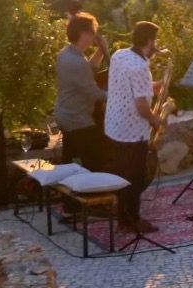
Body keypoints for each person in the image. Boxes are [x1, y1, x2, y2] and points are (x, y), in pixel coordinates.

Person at [105, 21, 164, 234]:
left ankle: (122, 215)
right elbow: (141, 106)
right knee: (135, 177)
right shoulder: (140, 67)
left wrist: (152, 86)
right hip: (131, 130)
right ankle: (131, 221)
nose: (156, 45)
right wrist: (156, 119)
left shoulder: (119, 55)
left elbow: (128, 86)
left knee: (121, 174)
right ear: (149, 41)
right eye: (155, 40)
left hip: (115, 125)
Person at [55, 13, 110, 172]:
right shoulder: (75, 61)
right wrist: (119, 97)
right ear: (84, 34)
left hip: (65, 114)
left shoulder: (67, 53)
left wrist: (101, 51)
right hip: (77, 119)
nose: (95, 37)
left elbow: (88, 70)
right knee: (94, 165)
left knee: (71, 163)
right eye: (93, 32)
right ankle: (95, 191)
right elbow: (94, 94)